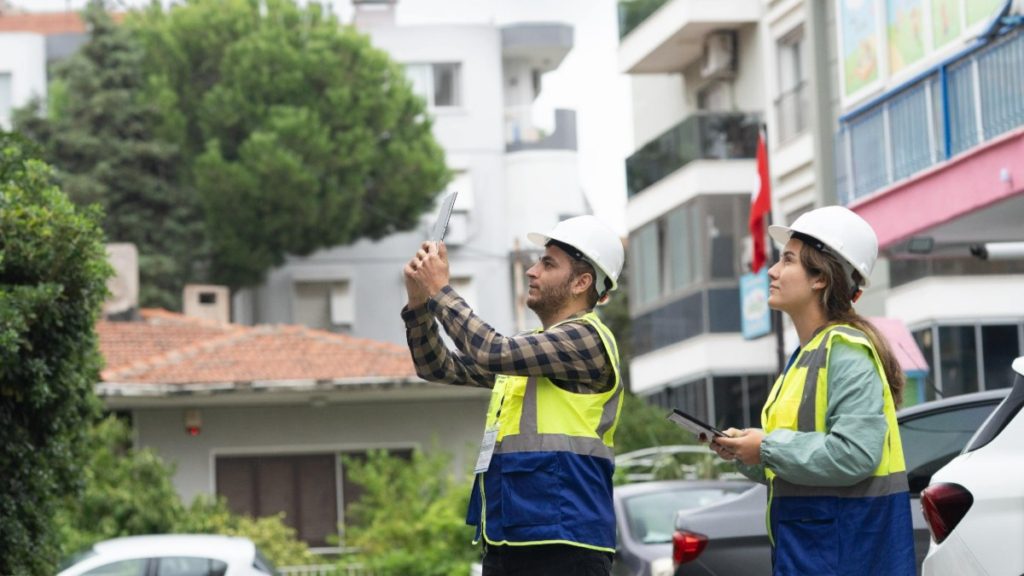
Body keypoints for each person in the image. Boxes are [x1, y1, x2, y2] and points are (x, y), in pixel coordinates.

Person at [401, 215, 625, 576]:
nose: (531, 271)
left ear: (582, 282)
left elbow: (491, 350)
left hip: (565, 544)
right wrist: (418, 306)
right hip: (508, 538)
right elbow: (437, 367)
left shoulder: (586, 339)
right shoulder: (531, 351)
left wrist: (441, 289)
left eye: (548, 263)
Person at [710, 205, 915, 575]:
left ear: (820, 277)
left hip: (847, 556)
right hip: (814, 553)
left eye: (787, 260)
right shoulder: (807, 356)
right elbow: (802, 466)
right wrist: (747, 451)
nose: (772, 271)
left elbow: (854, 454)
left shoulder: (846, 351)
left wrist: (766, 446)